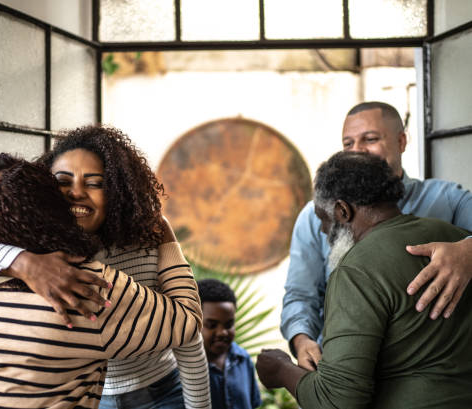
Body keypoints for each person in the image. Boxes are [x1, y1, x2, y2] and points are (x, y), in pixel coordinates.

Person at [0, 125, 210, 409]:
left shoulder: (143, 242)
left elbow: (187, 338)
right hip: (90, 394)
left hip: (156, 388)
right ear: (44, 189)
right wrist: (23, 263)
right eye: (62, 182)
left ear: (119, 191)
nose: (76, 192)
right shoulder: (20, 250)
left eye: (95, 183)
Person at [257, 151, 472, 409]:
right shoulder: (458, 241)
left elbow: (337, 401)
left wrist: (281, 369)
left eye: (322, 218)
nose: (324, 231)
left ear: (342, 210)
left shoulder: (356, 271)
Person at [281, 101, 472, 370]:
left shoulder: (447, 200)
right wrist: (302, 340)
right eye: (348, 144)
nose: (358, 151)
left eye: (370, 139)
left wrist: (468, 251)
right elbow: (301, 294)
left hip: (429, 371)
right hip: (343, 369)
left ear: (402, 141)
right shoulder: (316, 216)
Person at [197, 279, 262, 409]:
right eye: (212, 325)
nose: (222, 332)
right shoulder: (180, 367)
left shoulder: (242, 359)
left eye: (229, 324)